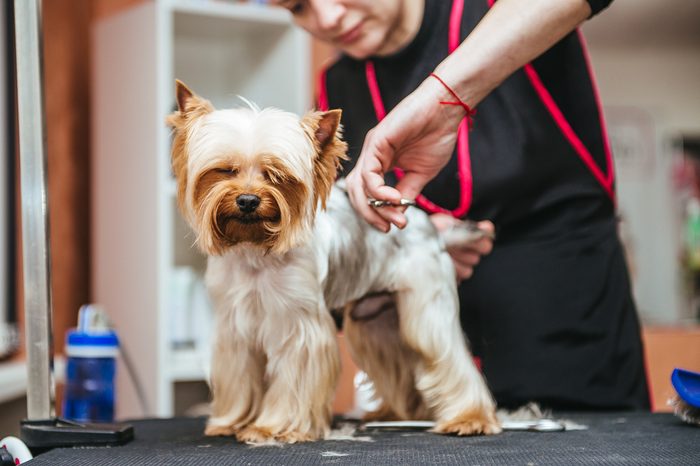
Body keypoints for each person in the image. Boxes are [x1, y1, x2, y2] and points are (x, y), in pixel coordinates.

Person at [274, 0, 650, 410]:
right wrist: (413, 240)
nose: (326, 18)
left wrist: (447, 95)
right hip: (429, 374)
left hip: (568, 339)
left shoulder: (497, 12)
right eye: (297, 7)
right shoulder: (335, 88)